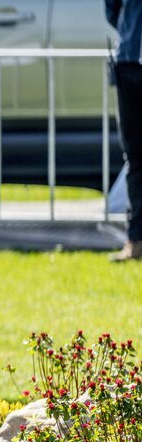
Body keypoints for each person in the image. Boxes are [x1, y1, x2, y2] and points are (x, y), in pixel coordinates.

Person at [106, 0, 142, 261]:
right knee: (135, 156)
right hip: (130, 64)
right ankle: (137, 240)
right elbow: (112, 8)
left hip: (129, 62)